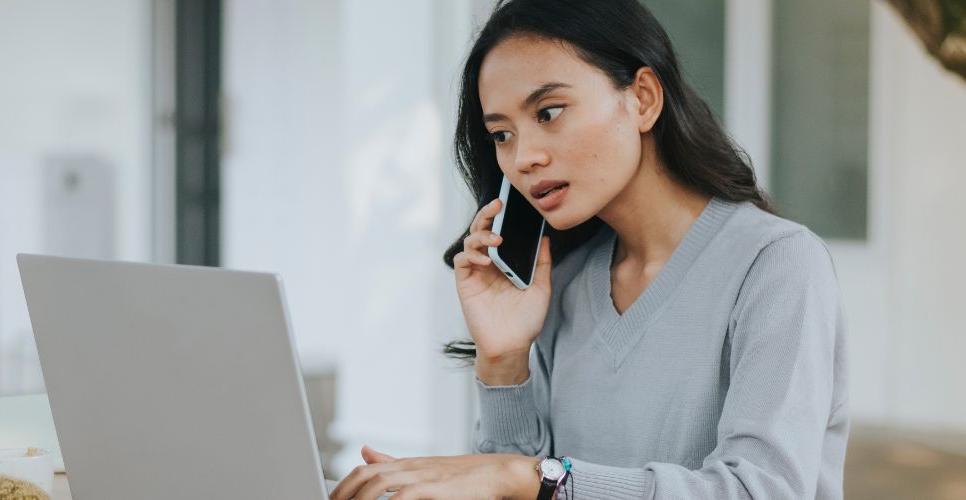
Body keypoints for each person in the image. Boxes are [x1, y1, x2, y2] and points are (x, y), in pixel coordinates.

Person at [328, 0, 848, 499]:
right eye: (502, 134)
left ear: (642, 98)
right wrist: (504, 359)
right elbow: (514, 486)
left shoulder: (777, 264)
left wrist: (533, 477)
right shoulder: (566, 282)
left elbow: (760, 491)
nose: (524, 157)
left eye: (549, 112)